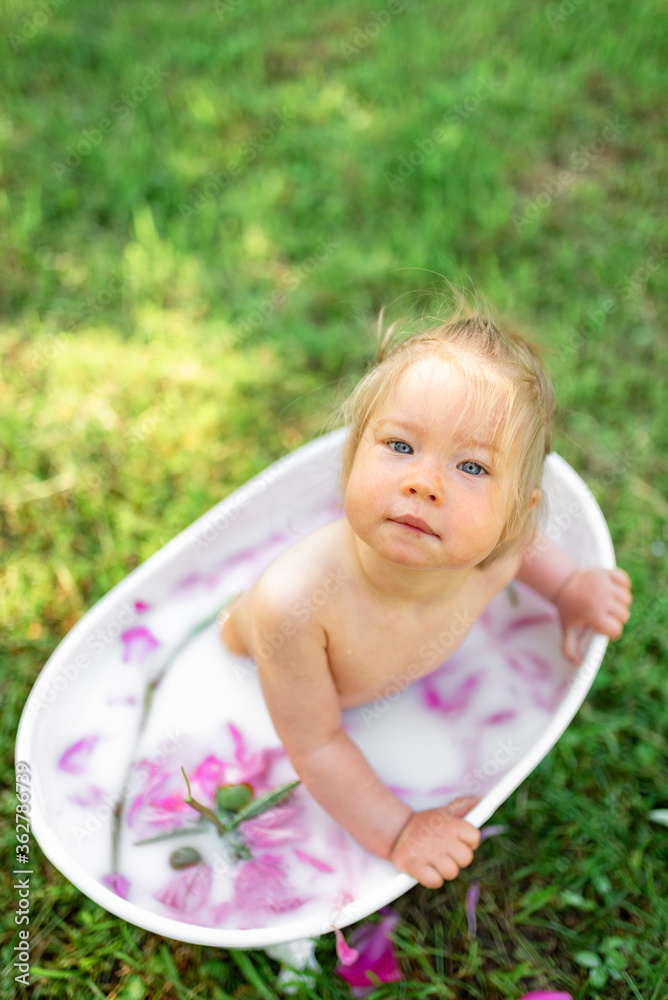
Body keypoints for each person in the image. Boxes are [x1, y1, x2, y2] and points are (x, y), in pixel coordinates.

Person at [219, 292, 633, 889]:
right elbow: (316, 745)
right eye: (400, 446)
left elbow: (530, 550)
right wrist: (399, 830)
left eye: (471, 467)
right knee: (243, 630)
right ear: (349, 459)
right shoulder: (297, 606)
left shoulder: (497, 553)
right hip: (254, 659)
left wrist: (570, 588)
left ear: (517, 515)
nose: (423, 483)